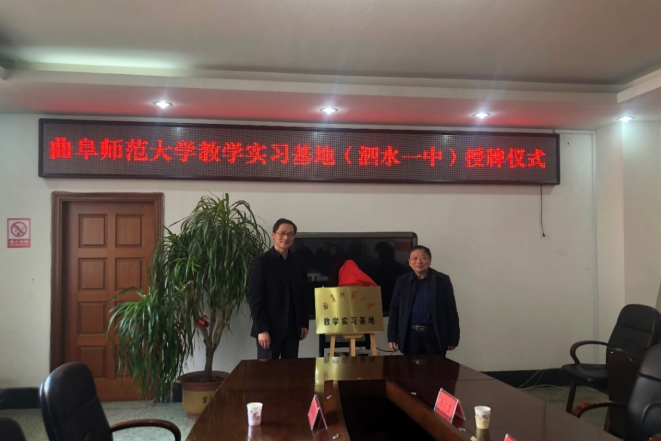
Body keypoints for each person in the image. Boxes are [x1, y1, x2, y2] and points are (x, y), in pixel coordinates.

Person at [248, 219, 309, 359]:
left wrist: (304, 323)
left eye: (290, 234)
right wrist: (261, 329)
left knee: (290, 369)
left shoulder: (298, 262)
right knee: (268, 371)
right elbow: (254, 299)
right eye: (282, 233)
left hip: (292, 329)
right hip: (269, 330)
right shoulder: (261, 262)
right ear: (273, 235)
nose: (286, 238)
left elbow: (304, 295)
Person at [387, 246, 460, 356]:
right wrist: (392, 336)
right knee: (410, 366)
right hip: (410, 335)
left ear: (430, 261)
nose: (419, 262)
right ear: (409, 262)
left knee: (436, 366)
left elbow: (451, 310)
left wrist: (453, 338)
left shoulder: (442, 280)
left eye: (423, 258)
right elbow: (394, 309)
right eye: (415, 258)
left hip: (435, 334)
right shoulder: (402, 281)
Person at [369, 241, 409, 314]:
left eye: (375, 252)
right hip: (399, 304)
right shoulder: (401, 268)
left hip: (381, 303)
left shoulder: (375, 269)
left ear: (378, 253)